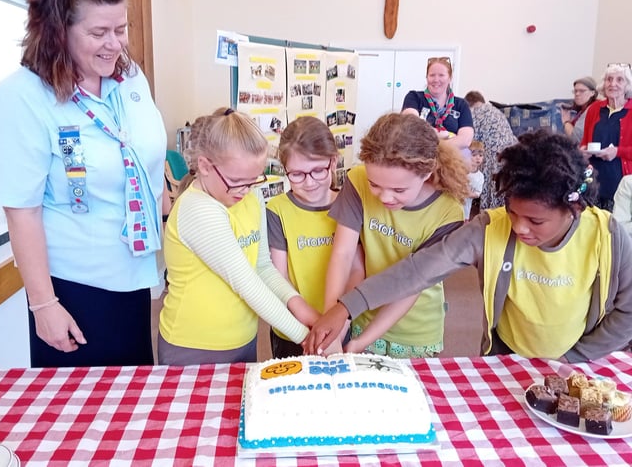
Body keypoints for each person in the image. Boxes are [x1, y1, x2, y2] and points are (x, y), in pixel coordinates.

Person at [304, 129, 632, 363]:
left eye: (535, 221)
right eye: (513, 212)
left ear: (573, 209)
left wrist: (575, 357)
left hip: (579, 365)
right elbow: (418, 271)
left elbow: (628, 310)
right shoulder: (488, 229)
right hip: (507, 362)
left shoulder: (608, 237)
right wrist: (347, 306)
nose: (519, 227)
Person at [0, 0, 167, 367]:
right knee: (85, 420)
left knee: (132, 404)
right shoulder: (23, 98)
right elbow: (22, 212)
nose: (116, 43)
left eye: (121, 29)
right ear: (58, 31)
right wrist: (44, 306)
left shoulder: (129, 77)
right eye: (99, 32)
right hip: (74, 289)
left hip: (136, 276)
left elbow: (146, 165)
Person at [159, 108, 310, 365]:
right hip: (194, 346)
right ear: (205, 166)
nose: (246, 190)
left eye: (254, 180)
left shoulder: (250, 195)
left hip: (243, 339)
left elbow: (262, 267)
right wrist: (305, 337)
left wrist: (302, 308)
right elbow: (247, 283)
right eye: (237, 181)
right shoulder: (199, 209)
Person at [323, 112, 469, 358]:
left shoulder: (447, 212)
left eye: (399, 189)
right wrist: (332, 324)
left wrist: (360, 342)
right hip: (361, 314)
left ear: (427, 173)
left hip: (415, 331)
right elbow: (343, 254)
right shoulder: (357, 181)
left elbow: (413, 284)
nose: (385, 197)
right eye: (375, 185)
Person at [266, 116, 363, 358]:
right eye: (297, 174)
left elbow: (356, 271)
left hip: (342, 324)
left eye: (318, 171)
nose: (309, 183)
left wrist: (338, 326)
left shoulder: (350, 205)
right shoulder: (277, 210)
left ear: (333, 161)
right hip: (293, 330)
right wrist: (313, 326)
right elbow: (279, 276)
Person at [580, 63, 632, 212]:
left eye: (619, 80)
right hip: (593, 179)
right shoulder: (595, 109)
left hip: (619, 181)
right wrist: (582, 152)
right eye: (609, 79)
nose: (613, 84)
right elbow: (585, 142)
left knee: (614, 229)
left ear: (627, 85)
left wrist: (617, 151)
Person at [401, 57, 474, 153]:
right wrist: (444, 135)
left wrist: (433, 146)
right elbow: (412, 126)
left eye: (441, 75)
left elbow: (465, 140)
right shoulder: (414, 97)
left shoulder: (461, 105)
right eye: (432, 75)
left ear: (450, 78)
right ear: (426, 77)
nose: (436, 80)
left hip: (450, 161)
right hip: (418, 158)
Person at [464, 90, 517, 210]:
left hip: (494, 155)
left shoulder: (474, 113)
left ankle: (489, 215)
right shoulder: (496, 111)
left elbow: (470, 142)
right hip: (512, 153)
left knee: (490, 183)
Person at [560, 76, 598, 142]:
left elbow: (576, 138)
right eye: (575, 91)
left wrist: (566, 122)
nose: (577, 94)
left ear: (593, 93)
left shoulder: (592, 109)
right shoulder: (581, 111)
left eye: (582, 91)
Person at [465, 140, 485, 221]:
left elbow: (477, 193)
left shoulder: (480, 176)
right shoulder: (460, 171)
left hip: (465, 208)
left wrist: (468, 193)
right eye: (474, 155)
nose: (478, 158)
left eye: (480, 155)